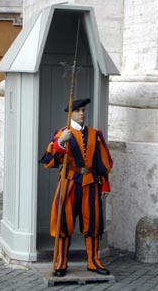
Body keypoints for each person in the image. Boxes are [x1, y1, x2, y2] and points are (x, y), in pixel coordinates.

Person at [41, 98, 113, 277]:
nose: (82, 113)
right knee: (64, 223)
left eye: (83, 110)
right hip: (69, 183)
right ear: (70, 113)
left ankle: (93, 261)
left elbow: (102, 162)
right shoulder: (62, 134)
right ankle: (61, 262)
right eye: (78, 110)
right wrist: (60, 144)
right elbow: (49, 162)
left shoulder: (95, 134)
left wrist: (104, 185)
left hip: (90, 183)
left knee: (93, 223)